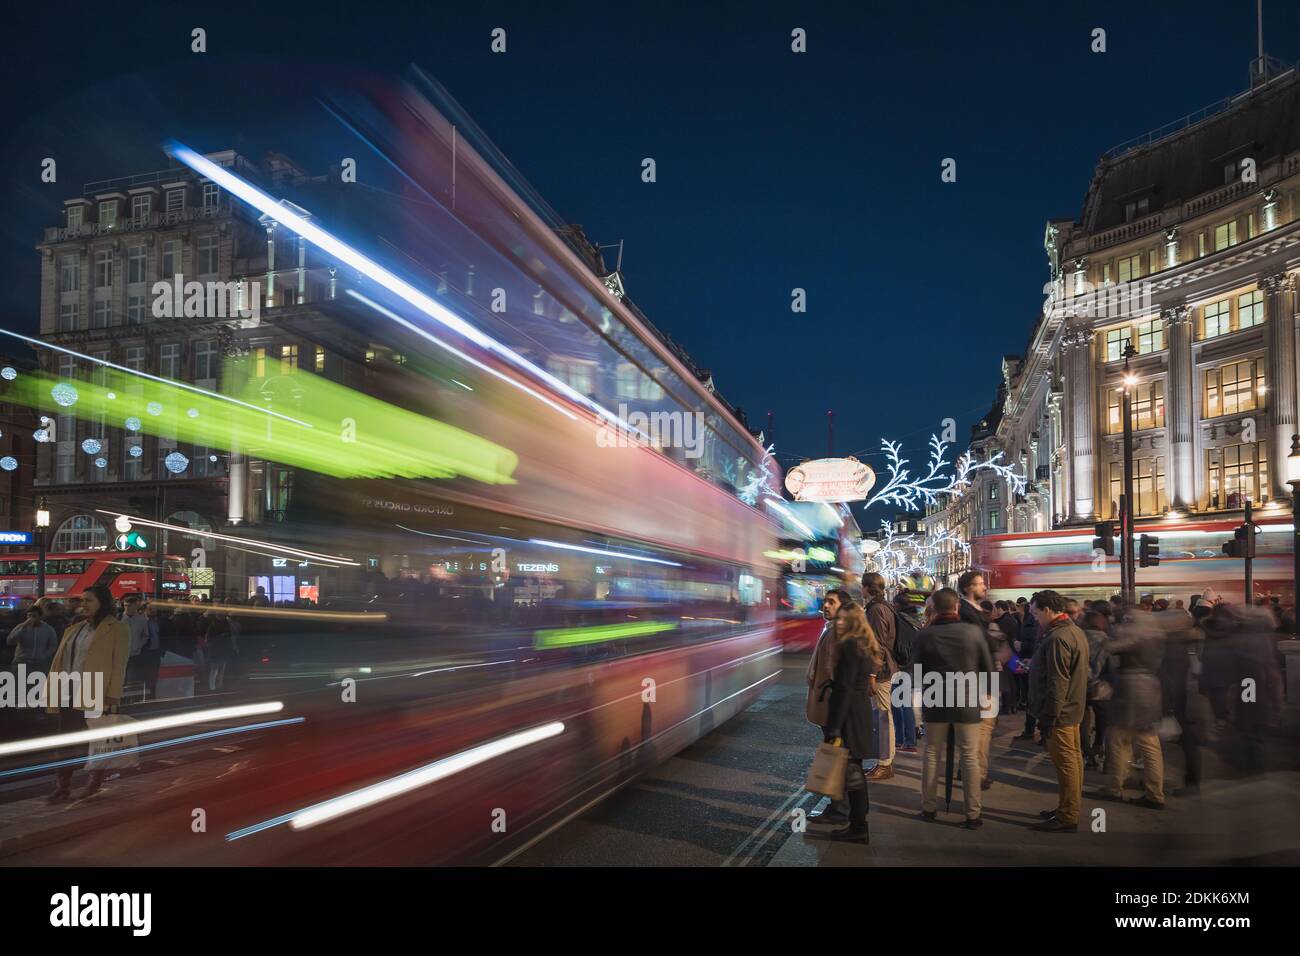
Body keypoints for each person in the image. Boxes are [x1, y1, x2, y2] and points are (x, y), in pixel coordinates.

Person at [915, 588, 994, 829]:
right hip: (967, 700)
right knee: (969, 757)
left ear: (935, 609)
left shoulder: (925, 635)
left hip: (935, 700)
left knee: (931, 754)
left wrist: (917, 705)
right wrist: (988, 697)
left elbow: (916, 672)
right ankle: (973, 814)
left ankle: (929, 808)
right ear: (957, 607)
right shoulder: (973, 632)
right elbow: (988, 668)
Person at [44, 585, 130, 804]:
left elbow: (119, 665)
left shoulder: (117, 629)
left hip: (96, 690)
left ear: (102, 602)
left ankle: (94, 783)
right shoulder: (75, 628)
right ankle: (62, 786)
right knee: (65, 740)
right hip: (68, 689)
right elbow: (61, 660)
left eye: (89, 600)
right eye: (82, 600)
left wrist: (112, 695)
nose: (83, 605)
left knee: (96, 740)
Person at [1027, 590, 1090, 832]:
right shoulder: (1074, 631)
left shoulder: (1058, 638)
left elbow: (1058, 682)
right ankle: (1067, 807)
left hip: (1060, 713)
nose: (1035, 618)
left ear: (1047, 610)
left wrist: (1048, 717)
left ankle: (1068, 815)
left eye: (1035, 613)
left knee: (1066, 764)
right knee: (1073, 761)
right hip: (1072, 709)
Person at [823, 603, 886, 843]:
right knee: (854, 769)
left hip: (849, 716)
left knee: (852, 772)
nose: (838, 622)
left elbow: (844, 689)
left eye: (843, 619)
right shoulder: (863, 643)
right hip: (859, 713)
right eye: (837, 618)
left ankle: (859, 826)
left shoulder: (850, 645)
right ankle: (859, 822)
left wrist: (834, 727)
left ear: (854, 621)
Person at [1095, 611, 1166, 808]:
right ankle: (1155, 793)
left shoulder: (1136, 636)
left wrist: (1115, 631)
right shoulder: (1157, 636)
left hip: (1131, 689)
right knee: (1150, 744)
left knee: (1118, 740)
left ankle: (1114, 787)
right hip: (1151, 688)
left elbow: (1110, 646)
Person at [806, 588, 854, 824]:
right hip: (829, 706)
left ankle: (839, 809)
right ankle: (839, 806)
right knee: (838, 755)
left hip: (832, 708)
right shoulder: (831, 628)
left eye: (831, 602)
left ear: (842, 607)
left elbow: (836, 674)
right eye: (825, 602)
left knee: (837, 756)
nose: (825, 605)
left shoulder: (838, 632)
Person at [957, 571, 998, 789]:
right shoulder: (967, 612)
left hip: (983, 676)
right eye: (980, 584)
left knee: (981, 728)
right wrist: (996, 639)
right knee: (983, 728)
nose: (985, 587)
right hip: (980, 678)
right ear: (968, 588)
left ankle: (968, 768)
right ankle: (977, 773)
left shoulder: (976, 611)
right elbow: (984, 643)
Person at [861, 573, 897, 780]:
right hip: (884, 668)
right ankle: (885, 761)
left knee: (883, 717)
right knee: (884, 716)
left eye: (863, 587)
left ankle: (885, 764)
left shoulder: (876, 610)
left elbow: (878, 646)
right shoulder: (885, 606)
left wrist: (872, 674)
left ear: (867, 588)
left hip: (881, 671)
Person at [891, 590, 921, 753]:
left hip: (903, 665)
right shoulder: (915, 619)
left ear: (897, 605)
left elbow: (899, 643)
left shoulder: (899, 619)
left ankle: (908, 741)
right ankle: (902, 739)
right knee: (901, 703)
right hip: (913, 664)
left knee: (902, 704)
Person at [6, 604, 57, 673]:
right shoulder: (21, 626)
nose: (31, 618)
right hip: (21, 661)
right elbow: (10, 641)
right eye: (29, 615)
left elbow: (53, 644)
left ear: (40, 617)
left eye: (34, 616)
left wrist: (44, 655)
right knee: (19, 682)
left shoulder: (48, 629)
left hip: (39, 663)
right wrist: (22, 628)